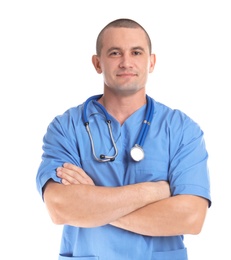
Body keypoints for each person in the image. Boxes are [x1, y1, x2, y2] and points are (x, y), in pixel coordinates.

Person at [36, 18, 211, 260]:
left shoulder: (181, 130)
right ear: (98, 63)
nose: (126, 62)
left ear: (151, 62)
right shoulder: (67, 128)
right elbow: (60, 208)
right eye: (115, 53)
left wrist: (91, 206)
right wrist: (153, 192)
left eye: (136, 52)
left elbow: (191, 218)